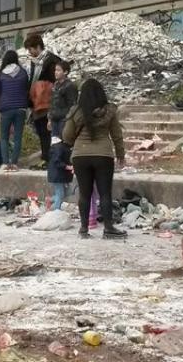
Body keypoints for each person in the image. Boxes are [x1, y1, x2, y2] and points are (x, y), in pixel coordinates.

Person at [62, 79, 127, 240]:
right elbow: (117, 135)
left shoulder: (76, 111)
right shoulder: (109, 111)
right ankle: (109, 228)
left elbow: (67, 135)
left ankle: (84, 229)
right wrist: (121, 155)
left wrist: (73, 142)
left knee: (84, 193)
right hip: (103, 155)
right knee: (105, 193)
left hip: (80, 155)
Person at [23, 33, 60, 163]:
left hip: (48, 104)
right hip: (36, 104)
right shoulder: (34, 62)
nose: (30, 52)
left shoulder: (51, 61)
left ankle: (49, 158)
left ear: (38, 47)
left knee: (47, 132)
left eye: (31, 49)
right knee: (41, 132)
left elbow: (56, 83)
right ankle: (45, 157)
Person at [0, 51, 31, 172]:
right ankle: (14, 163)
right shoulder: (23, 72)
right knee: (17, 137)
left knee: (4, 137)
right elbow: (27, 89)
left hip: (6, 108)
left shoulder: (1, 74)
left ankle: (5, 163)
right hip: (21, 107)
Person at [47, 60, 78, 138]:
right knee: (54, 145)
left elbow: (72, 106)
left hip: (63, 121)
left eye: (58, 70)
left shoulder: (70, 86)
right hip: (54, 120)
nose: (55, 72)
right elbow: (52, 103)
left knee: (63, 145)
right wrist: (50, 119)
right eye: (55, 70)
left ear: (65, 72)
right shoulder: (55, 85)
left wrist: (67, 120)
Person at [47, 136, 73, 211]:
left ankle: (51, 200)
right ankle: (56, 211)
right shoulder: (59, 148)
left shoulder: (65, 147)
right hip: (57, 174)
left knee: (67, 192)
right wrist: (67, 166)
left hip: (62, 174)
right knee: (60, 193)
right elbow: (56, 161)